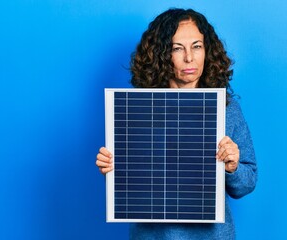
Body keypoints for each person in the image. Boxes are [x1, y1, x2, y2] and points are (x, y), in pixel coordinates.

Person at [96, 8, 257, 240]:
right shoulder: (137, 109)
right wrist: (112, 171)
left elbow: (247, 182)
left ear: (207, 50)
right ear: (162, 54)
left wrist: (232, 167)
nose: (189, 58)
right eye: (177, 48)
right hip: (153, 236)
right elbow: (133, 182)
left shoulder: (226, 108)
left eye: (197, 46)